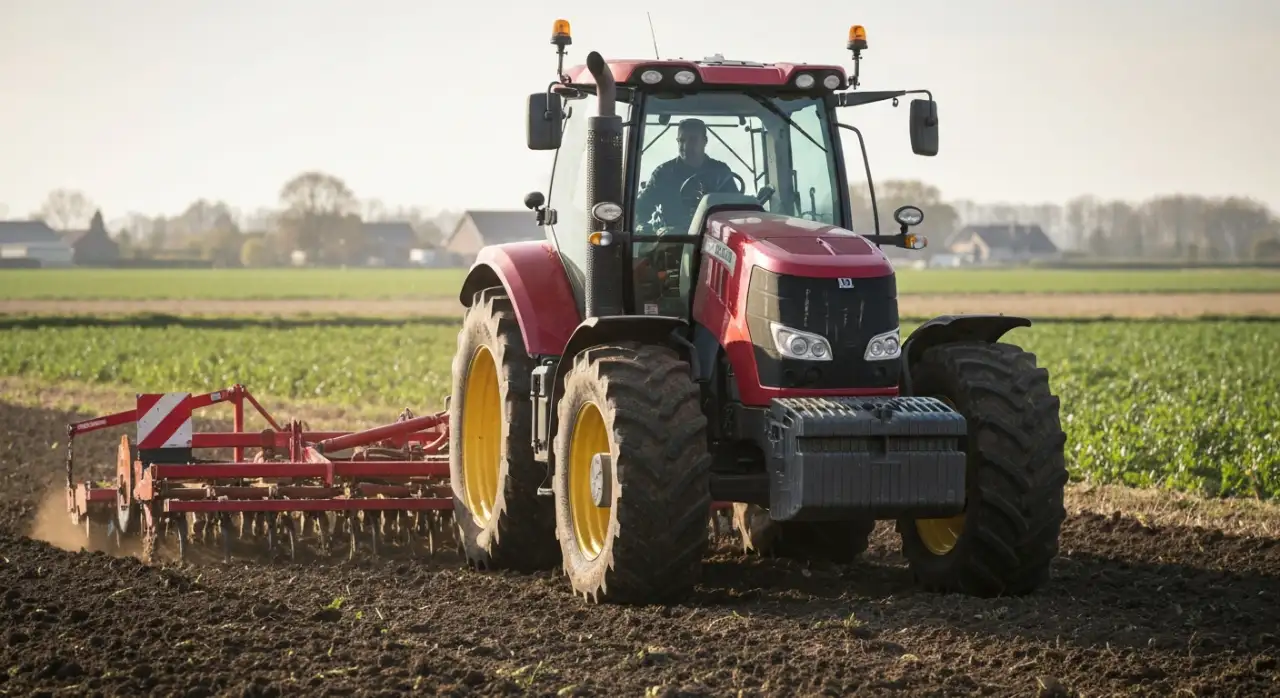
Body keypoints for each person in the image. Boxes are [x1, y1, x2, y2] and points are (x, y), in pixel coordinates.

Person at [633, 118, 738, 231]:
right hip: (674, 238)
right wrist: (643, 226)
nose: (686, 146)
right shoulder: (663, 174)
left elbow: (736, 208)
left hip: (714, 236)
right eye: (682, 140)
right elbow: (641, 208)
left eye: (693, 140)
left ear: (705, 141)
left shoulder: (720, 172)